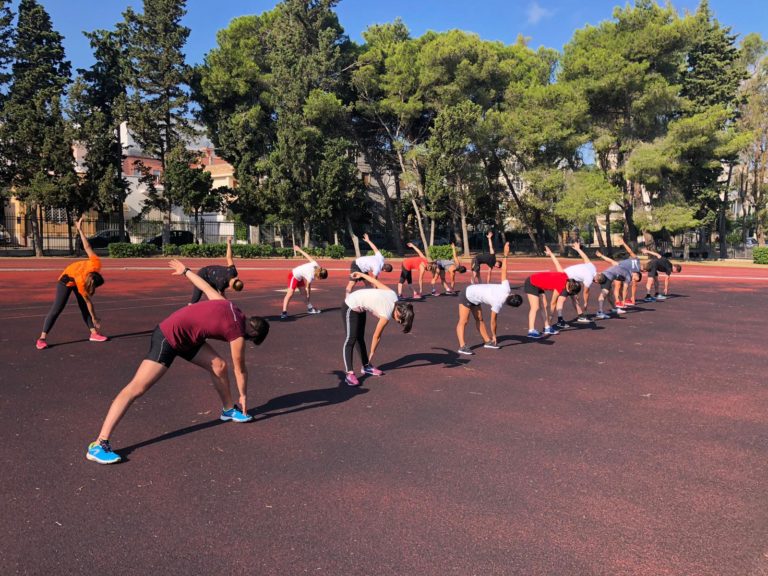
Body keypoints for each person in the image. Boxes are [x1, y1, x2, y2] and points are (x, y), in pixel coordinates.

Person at [85, 259, 270, 464]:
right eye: (251, 340)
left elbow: (206, 287)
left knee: (219, 365)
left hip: (188, 339)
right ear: (252, 333)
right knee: (136, 388)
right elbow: (240, 369)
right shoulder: (237, 333)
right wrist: (244, 396)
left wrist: (186, 271)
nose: (247, 342)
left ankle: (228, 410)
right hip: (168, 337)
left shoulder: (231, 307)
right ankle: (100, 443)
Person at [36, 216, 107, 349]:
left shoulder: (95, 263)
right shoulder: (81, 283)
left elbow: (87, 246)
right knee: (57, 309)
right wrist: (95, 317)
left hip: (77, 276)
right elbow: (89, 302)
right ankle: (42, 338)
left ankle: (93, 334)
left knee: (83, 307)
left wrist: (80, 230)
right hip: (66, 280)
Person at [342, 272, 415, 386]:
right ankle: (349, 373)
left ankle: (366, 367)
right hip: (350, 305)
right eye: (400, 320)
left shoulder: (393, 295)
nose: (398, 322)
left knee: (360, 338)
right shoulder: (386, 314)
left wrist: (361, 275)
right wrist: (371, 354)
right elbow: (377, 336)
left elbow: (376, 282)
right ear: (398, 311)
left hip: (361, 306)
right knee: (350, 339)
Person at [456, 242, 522, 355]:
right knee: (464, 320)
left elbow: (504, 270)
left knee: (480, 319)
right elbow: (493, 322)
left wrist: (506, 255)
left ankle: (487, 341)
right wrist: (495, 335)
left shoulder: (505, 291)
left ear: (512, 295)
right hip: (467, 294)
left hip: (475, 298)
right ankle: (462, 346)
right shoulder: (499, 303)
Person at [524, 246, 582, 338]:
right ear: (570, 289)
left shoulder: (565, 276)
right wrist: (551, 317)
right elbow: (553, 303)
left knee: (544, 305)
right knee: (535, 307)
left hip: (539, 284)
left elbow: (557, 264)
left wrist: (551, 254)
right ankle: (531, 330)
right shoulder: (560, 286)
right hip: (531, 282)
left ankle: (547, 327)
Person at [553, 242, 595, 329]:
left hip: (571, 281)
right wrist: (586, 303)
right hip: (564, 279)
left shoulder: (593, 268)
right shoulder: (589, 278)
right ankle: (560, 321)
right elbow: (586, 292)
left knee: (574, 298)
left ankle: (580, 316)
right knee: (561, 300)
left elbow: (585, 257)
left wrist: (578, 249)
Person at [189, 237, 243, 303]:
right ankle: (190, 306)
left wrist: (229, 243)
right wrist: (229, 304)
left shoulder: (233, 271)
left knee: (215, 298)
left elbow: (229, 257)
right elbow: (221, 296)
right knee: (196, 297)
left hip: (213, 279)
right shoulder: (222, 284)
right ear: (232, 287)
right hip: (203, 274)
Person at [281, 245, 328, 319]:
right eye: (321, 279)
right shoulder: (311, 276)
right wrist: (308, 295)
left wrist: (299, 250)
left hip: (299, 278)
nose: (320, 280)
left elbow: (307, 256)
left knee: (303, 294)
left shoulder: (316, 265)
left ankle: (310, 309)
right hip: (293, 275)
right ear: (319, 276)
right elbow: (308, 287)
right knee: (290, 294)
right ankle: (284, 312)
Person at [593, 251, 640, 319]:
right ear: (635, 273)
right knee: (604, 294)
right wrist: (623, 301)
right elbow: (625, 289)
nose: (635, 280)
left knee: (610, 294)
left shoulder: (622, 266)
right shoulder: (628, 276)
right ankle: (600, 312)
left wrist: (601, 256)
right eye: (636, 278)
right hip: (606, 278)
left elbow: (611, 261)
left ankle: (614, 308)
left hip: (604, 275)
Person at [615, 239, 642, 306]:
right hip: (621, 272)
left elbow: (630, 251)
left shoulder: (635, 258)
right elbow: (629, 251)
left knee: (631, 284)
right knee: (619, 285)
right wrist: (623, 243)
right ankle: (618, 301)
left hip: (629, 273)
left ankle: (630, 298)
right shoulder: (625, 259)